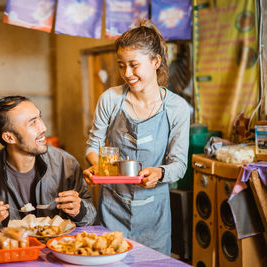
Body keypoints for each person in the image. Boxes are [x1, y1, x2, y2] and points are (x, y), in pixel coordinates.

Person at [83, 20, 190, 255]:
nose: (127, 74)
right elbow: (94, 143)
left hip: (155, 213)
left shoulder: (176, 108)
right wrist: (96, 166)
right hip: (112, 207)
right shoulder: (111, 99)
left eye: (134, 65)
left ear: (155, 61)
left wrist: (160, 173)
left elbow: (179, 164)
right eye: (121, 66)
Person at [0, 96, 96, 234]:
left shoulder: (66, 164)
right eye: (32, 122)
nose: (43, 127)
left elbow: (90, 218)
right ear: (9, 137)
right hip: (9, 254)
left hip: (58, 250)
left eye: (39, 117)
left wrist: (79, 210)